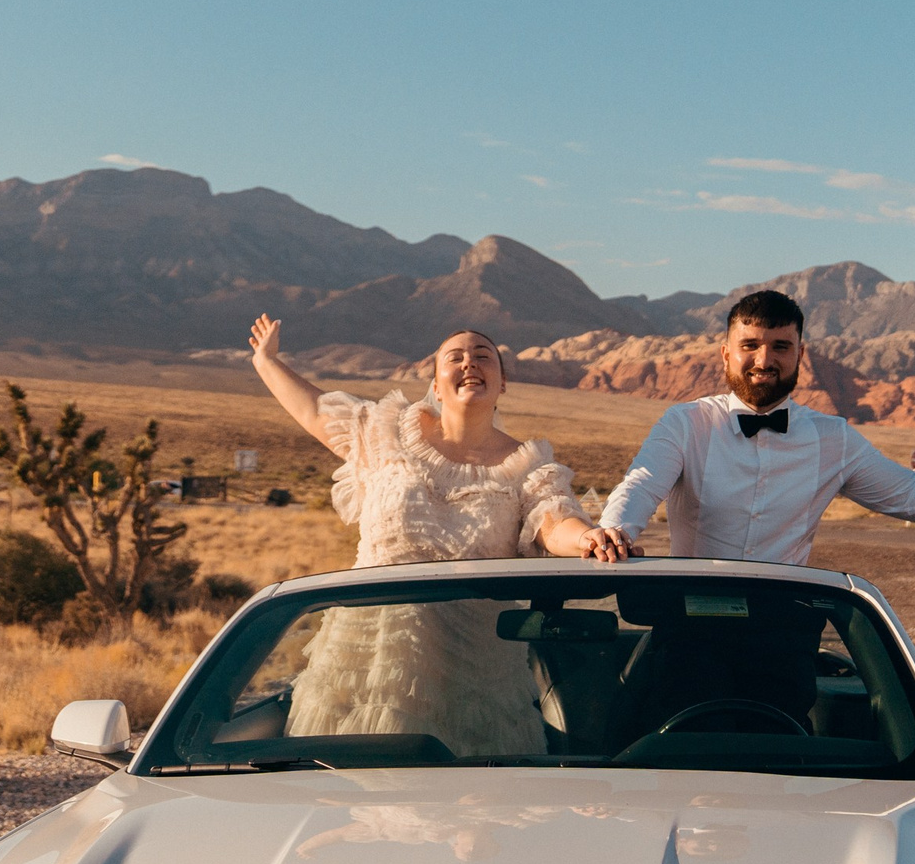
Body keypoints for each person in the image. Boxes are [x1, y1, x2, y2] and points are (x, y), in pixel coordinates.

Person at [243, 316, 631, 754]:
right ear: (435, 381)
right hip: (365, 669)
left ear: (502, 384)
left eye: (484, 356)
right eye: (456, 357)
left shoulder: (528, 468)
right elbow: (315, 410)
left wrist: (586, 539)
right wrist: (266, 361)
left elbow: (552, 520)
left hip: (473, 679)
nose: (470, 363)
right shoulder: (383, 434)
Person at [599, 290, 915, 565]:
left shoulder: (833, 439)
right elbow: (640, 486)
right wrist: (615, 532)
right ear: (725, 354)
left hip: (784, 637)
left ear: (801, 354)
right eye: (750, 346)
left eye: (780, 347)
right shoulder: (685, 424)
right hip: (687, 626)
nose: (764, 361)